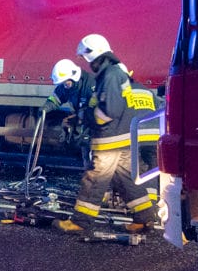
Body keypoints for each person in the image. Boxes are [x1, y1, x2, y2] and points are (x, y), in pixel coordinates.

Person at [53, 34, 157, 236]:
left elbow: (110, 110)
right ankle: (145, 219)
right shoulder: (116, 72)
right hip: (122, 137)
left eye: (85, 57)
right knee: (125, 180)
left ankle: (80, 221)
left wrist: (88, 118)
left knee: (95, 179)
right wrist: (82, 116)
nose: (86, 63)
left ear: (94, 54)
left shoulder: (109, 75)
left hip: (109, 139)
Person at [41, 58, 96, 169]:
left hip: (97, 127)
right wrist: (45, 108)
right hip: (85, 124)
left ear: (74, 77)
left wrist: (78, 118)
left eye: (66, 83)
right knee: (87, 157)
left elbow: (96, 111)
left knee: (98, 162)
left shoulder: (91, 85)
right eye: (63, 83)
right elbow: (57, 97)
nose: (65, 86)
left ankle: (99, 183)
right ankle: (91, 179)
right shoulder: (68, 84)